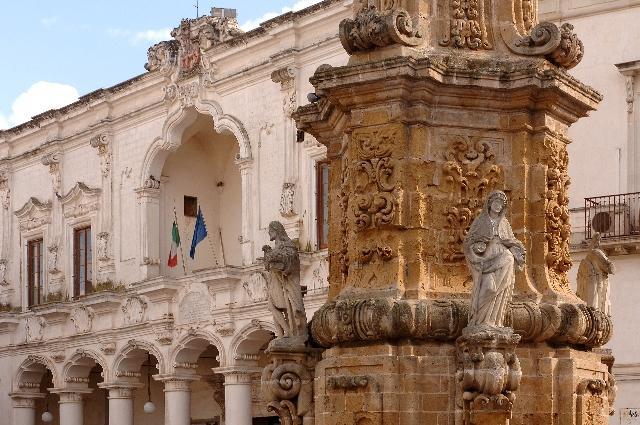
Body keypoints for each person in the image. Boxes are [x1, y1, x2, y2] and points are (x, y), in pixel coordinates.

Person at [463, 191, 526, 328]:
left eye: (501, 204)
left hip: (504, 258)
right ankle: (480, 320)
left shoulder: (505, 223)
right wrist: (476, 249)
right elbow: (469, 241)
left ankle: (494, 322)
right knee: (488, 288)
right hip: (487, 257)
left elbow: (511, 240)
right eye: (496, 202)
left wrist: (517, 250)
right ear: (490, 203)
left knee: (501, 289)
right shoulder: (481, 221)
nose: (498, 206)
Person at [262, 221, 308, 342]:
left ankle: (289, 332)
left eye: (270, 231)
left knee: (289, 308)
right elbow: (269, 264)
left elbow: (290, 259)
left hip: (286, 281)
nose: (268, 234)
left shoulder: (287, 244)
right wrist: (268, 255)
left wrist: (273, 257)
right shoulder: (277, 246)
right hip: (275, 280)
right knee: (272, 307)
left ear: (276, 231)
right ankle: (283, 333)